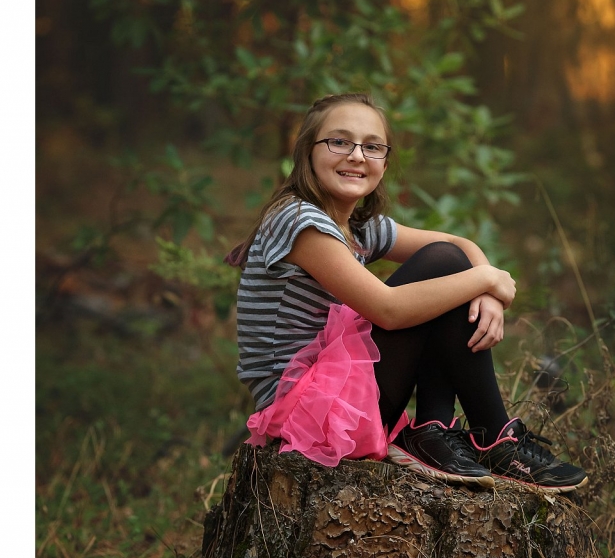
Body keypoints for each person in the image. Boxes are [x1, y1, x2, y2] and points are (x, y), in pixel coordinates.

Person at [226, 93, 587, 492]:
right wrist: (486, 280)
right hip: (306, 415)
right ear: (307, 151)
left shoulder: (358, 226)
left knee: (447, 265)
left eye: (372, 146)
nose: (356, 155)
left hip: (331, 403)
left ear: (384, 159)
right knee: (444, 266)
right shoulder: (298, 221)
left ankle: (434, 429)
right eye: (339, 141)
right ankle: (496, 438)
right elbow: (389, 310)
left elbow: (457, 242)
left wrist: (486, 284)